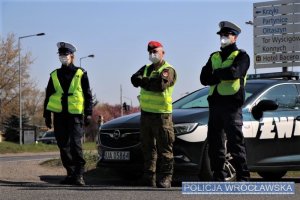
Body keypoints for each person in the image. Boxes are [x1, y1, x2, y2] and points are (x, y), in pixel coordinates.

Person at [200, 21, 250, 181]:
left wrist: (216, 75)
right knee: (215, 144)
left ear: (234, 37)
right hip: (215, 105)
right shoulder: (214, 56)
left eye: (226, 35)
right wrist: (221, 74)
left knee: (235, 144)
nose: (223, 38)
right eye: (221, 35)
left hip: (231, 106)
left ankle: (243, 178)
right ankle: (219, 177)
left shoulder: (242, 56)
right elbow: (203, 78)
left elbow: (234, 73)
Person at [43, 41, 93, 186]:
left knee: (76, 145)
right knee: (63, 145)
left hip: (75, 115)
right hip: (59, 115)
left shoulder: (81, 73)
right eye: (61, 54)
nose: (63, 57)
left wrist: (88, 113)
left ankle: (79, 175)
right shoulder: (54, 75)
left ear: (72, 56)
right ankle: (70, 174)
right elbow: (48, 95)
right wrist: (46, 115)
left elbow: (88, 95)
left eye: (65, 54)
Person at [131, 41, 177, 188]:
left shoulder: (168, 70)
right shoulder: (146, 68)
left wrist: (143, 81)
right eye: (150, 52)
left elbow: (160, 86)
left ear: (163, 52)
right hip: (146, 115)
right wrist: (147, 81)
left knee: (165, 148)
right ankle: (149, 177)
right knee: (147, 147)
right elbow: (133, 79)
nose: (153, 54)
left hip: (162, 116)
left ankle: (166, 178)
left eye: (155, 51)